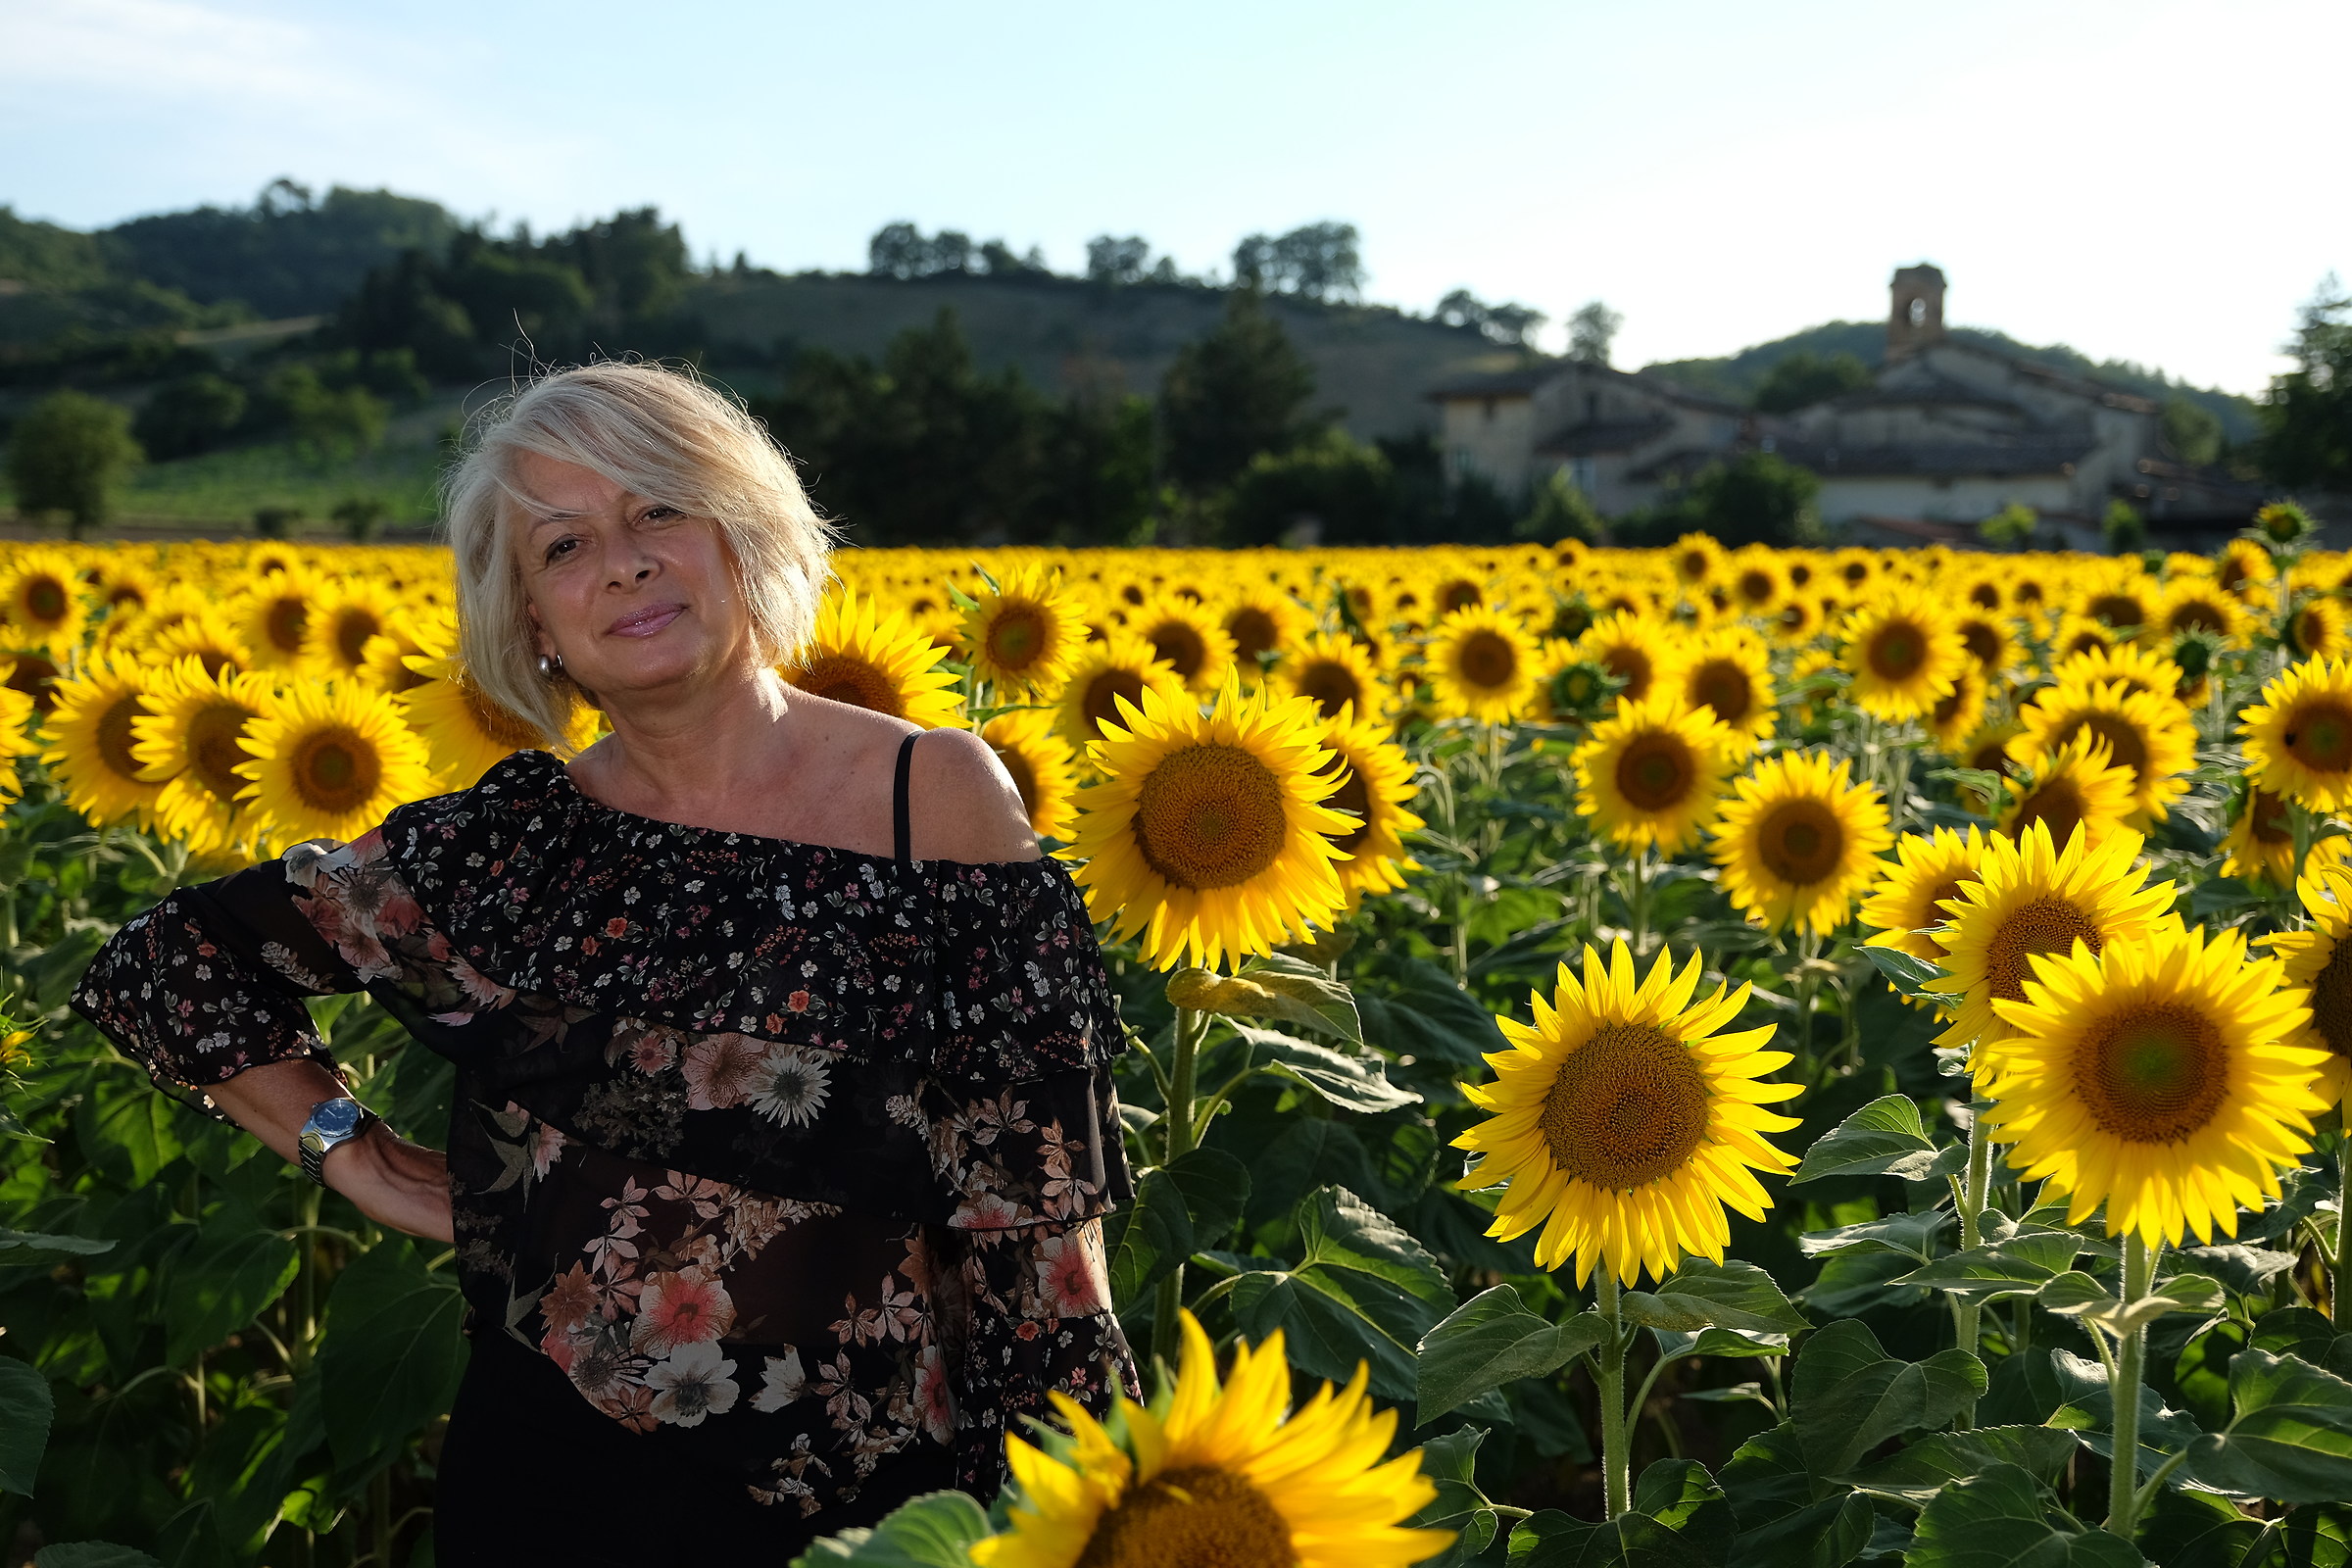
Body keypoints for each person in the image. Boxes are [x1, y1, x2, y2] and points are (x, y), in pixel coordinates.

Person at [70, 361, 1139, 1564]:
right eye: (563, 546)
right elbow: (172, 964)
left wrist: (1071, 1503)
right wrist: (351, 1153)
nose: (621, 562)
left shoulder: (929, 798)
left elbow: (1038, 1215)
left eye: (657, 510)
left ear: (741, 532)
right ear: (530, 617)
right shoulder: (516, 847)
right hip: (551, 1479)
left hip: (865, 1504)